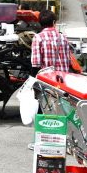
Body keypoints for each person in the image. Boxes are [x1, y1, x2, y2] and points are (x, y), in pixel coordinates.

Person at [28, 10, 71, 151]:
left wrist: (33, 82)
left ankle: (41, 142)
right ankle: (64, 141)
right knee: (62, 110)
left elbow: (35, 63)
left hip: (46, 81)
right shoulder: (63, 37)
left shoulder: (38, 38)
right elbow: (68, 60)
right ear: (54, 22)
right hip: (63, 80)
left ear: (40, 24)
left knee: (44, 109)